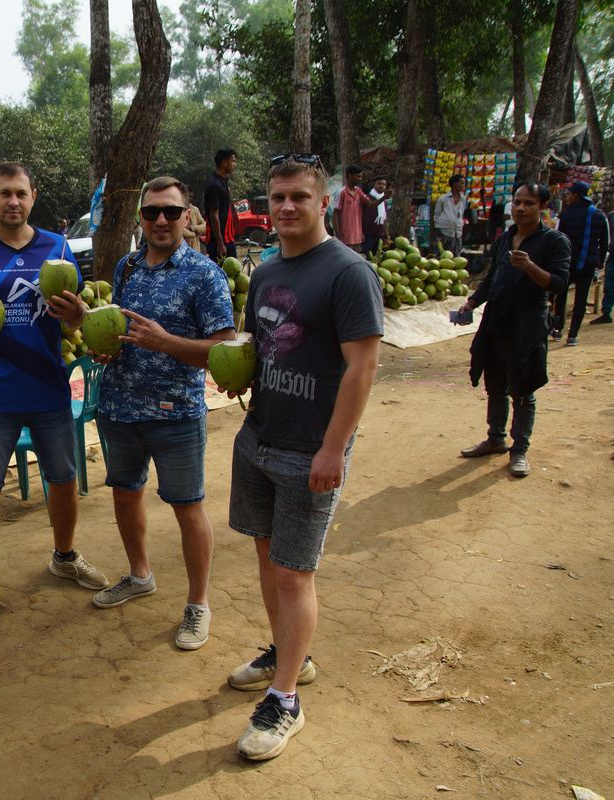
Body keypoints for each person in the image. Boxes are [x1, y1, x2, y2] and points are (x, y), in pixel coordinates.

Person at [215, 153, 383, 761]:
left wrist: (334, 447)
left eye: (299, 198)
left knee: (294, 572)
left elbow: (363, 364)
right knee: (267, 556)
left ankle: (285, 700)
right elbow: (261, 344)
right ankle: (290, 658)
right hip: (259, 435)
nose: (286, 208)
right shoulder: (264, 270)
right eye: (278, 198)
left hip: (309, 447)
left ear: (323, 203)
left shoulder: (347, 273)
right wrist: (242, 375)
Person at [0, 161, 109, 640]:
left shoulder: (56, 248)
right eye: (4, 193)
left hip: (49, 389)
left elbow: (73, 319)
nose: (13, 201)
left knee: (63, 480)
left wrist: (79, 314)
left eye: (21, 193)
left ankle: (64, 557)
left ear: (33, 196)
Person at [71, 177, 234, 650]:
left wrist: (166, 342)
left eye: (170, 211)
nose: (160, 220)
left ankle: (198, 605)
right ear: (140, 218)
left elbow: (224, 351)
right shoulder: (126, 267)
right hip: (119, 407)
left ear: (187, 216)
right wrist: (104, 346)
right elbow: (123, 333)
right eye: (151, 212)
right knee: (125, 495)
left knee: (187, 508)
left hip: (176, 412)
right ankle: (140, 575)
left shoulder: (204, 275)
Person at [454, 181, 570, 478]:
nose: (520, 208)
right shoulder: (505, 239)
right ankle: (495, 439)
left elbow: (558, 283)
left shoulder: (554, 241)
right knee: (495, 385)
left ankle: (519, 448)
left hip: (528, 323)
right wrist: (473, 301)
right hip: (497, 320)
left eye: (529, 203)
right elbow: (493, 276)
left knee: (523, 387)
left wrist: (530, 267)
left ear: (543, 207)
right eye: (517, 202)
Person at [553, 181, 610, 345]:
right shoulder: (599, 215)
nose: (568, 197)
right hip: (588, 263)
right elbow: (604, 243)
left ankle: (558, 329)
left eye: (569, 194)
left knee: (561, 296)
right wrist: (599, 263)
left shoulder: (564, 216)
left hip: (567, 263)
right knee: (581, 299)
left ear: (576, 196)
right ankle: (572, 335)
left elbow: (557, 239)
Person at [331, 166, 389, 254]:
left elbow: (370, 205)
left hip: (357, 237)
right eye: (358, 176)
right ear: (350, 176)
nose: (360, 179)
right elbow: (335, 215)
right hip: (345, 237)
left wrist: (385, 197)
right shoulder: (342, 192)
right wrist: (338, 236)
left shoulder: (358, 191)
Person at [204, 149, 238, 262]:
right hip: (218, 242)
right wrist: (220, 243)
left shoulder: (223, 182)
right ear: (224, 162)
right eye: (233, 161)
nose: (235, 164)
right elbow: (214, 215)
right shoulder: (214, 185)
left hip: (229, 239)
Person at [590, 201, 614, 325]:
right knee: (609, 286)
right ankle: (606, 313)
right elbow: (606, 237)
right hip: (613, 258)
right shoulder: (611, 216)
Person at [434, 174, 470, 256]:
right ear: (454, 184)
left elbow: (461, 212)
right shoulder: (443, 199)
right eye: (461, 183)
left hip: (457, 230)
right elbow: (437, 214)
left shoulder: (463, 199)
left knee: (456, 254)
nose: (463, 186)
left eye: (463, 184)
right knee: (441, 253)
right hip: (444, 230)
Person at [360, 176, 391, 258]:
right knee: (367, 257)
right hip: (367, 235)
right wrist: (361, 233)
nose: (381, 186)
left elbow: (385, 220)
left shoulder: (384, 202)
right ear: (374, 185)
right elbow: (359, 215)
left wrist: (387, 236)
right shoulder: (366, 198)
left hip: (380, 236)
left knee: (377, 258)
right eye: (379, 184)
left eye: (384, 184)